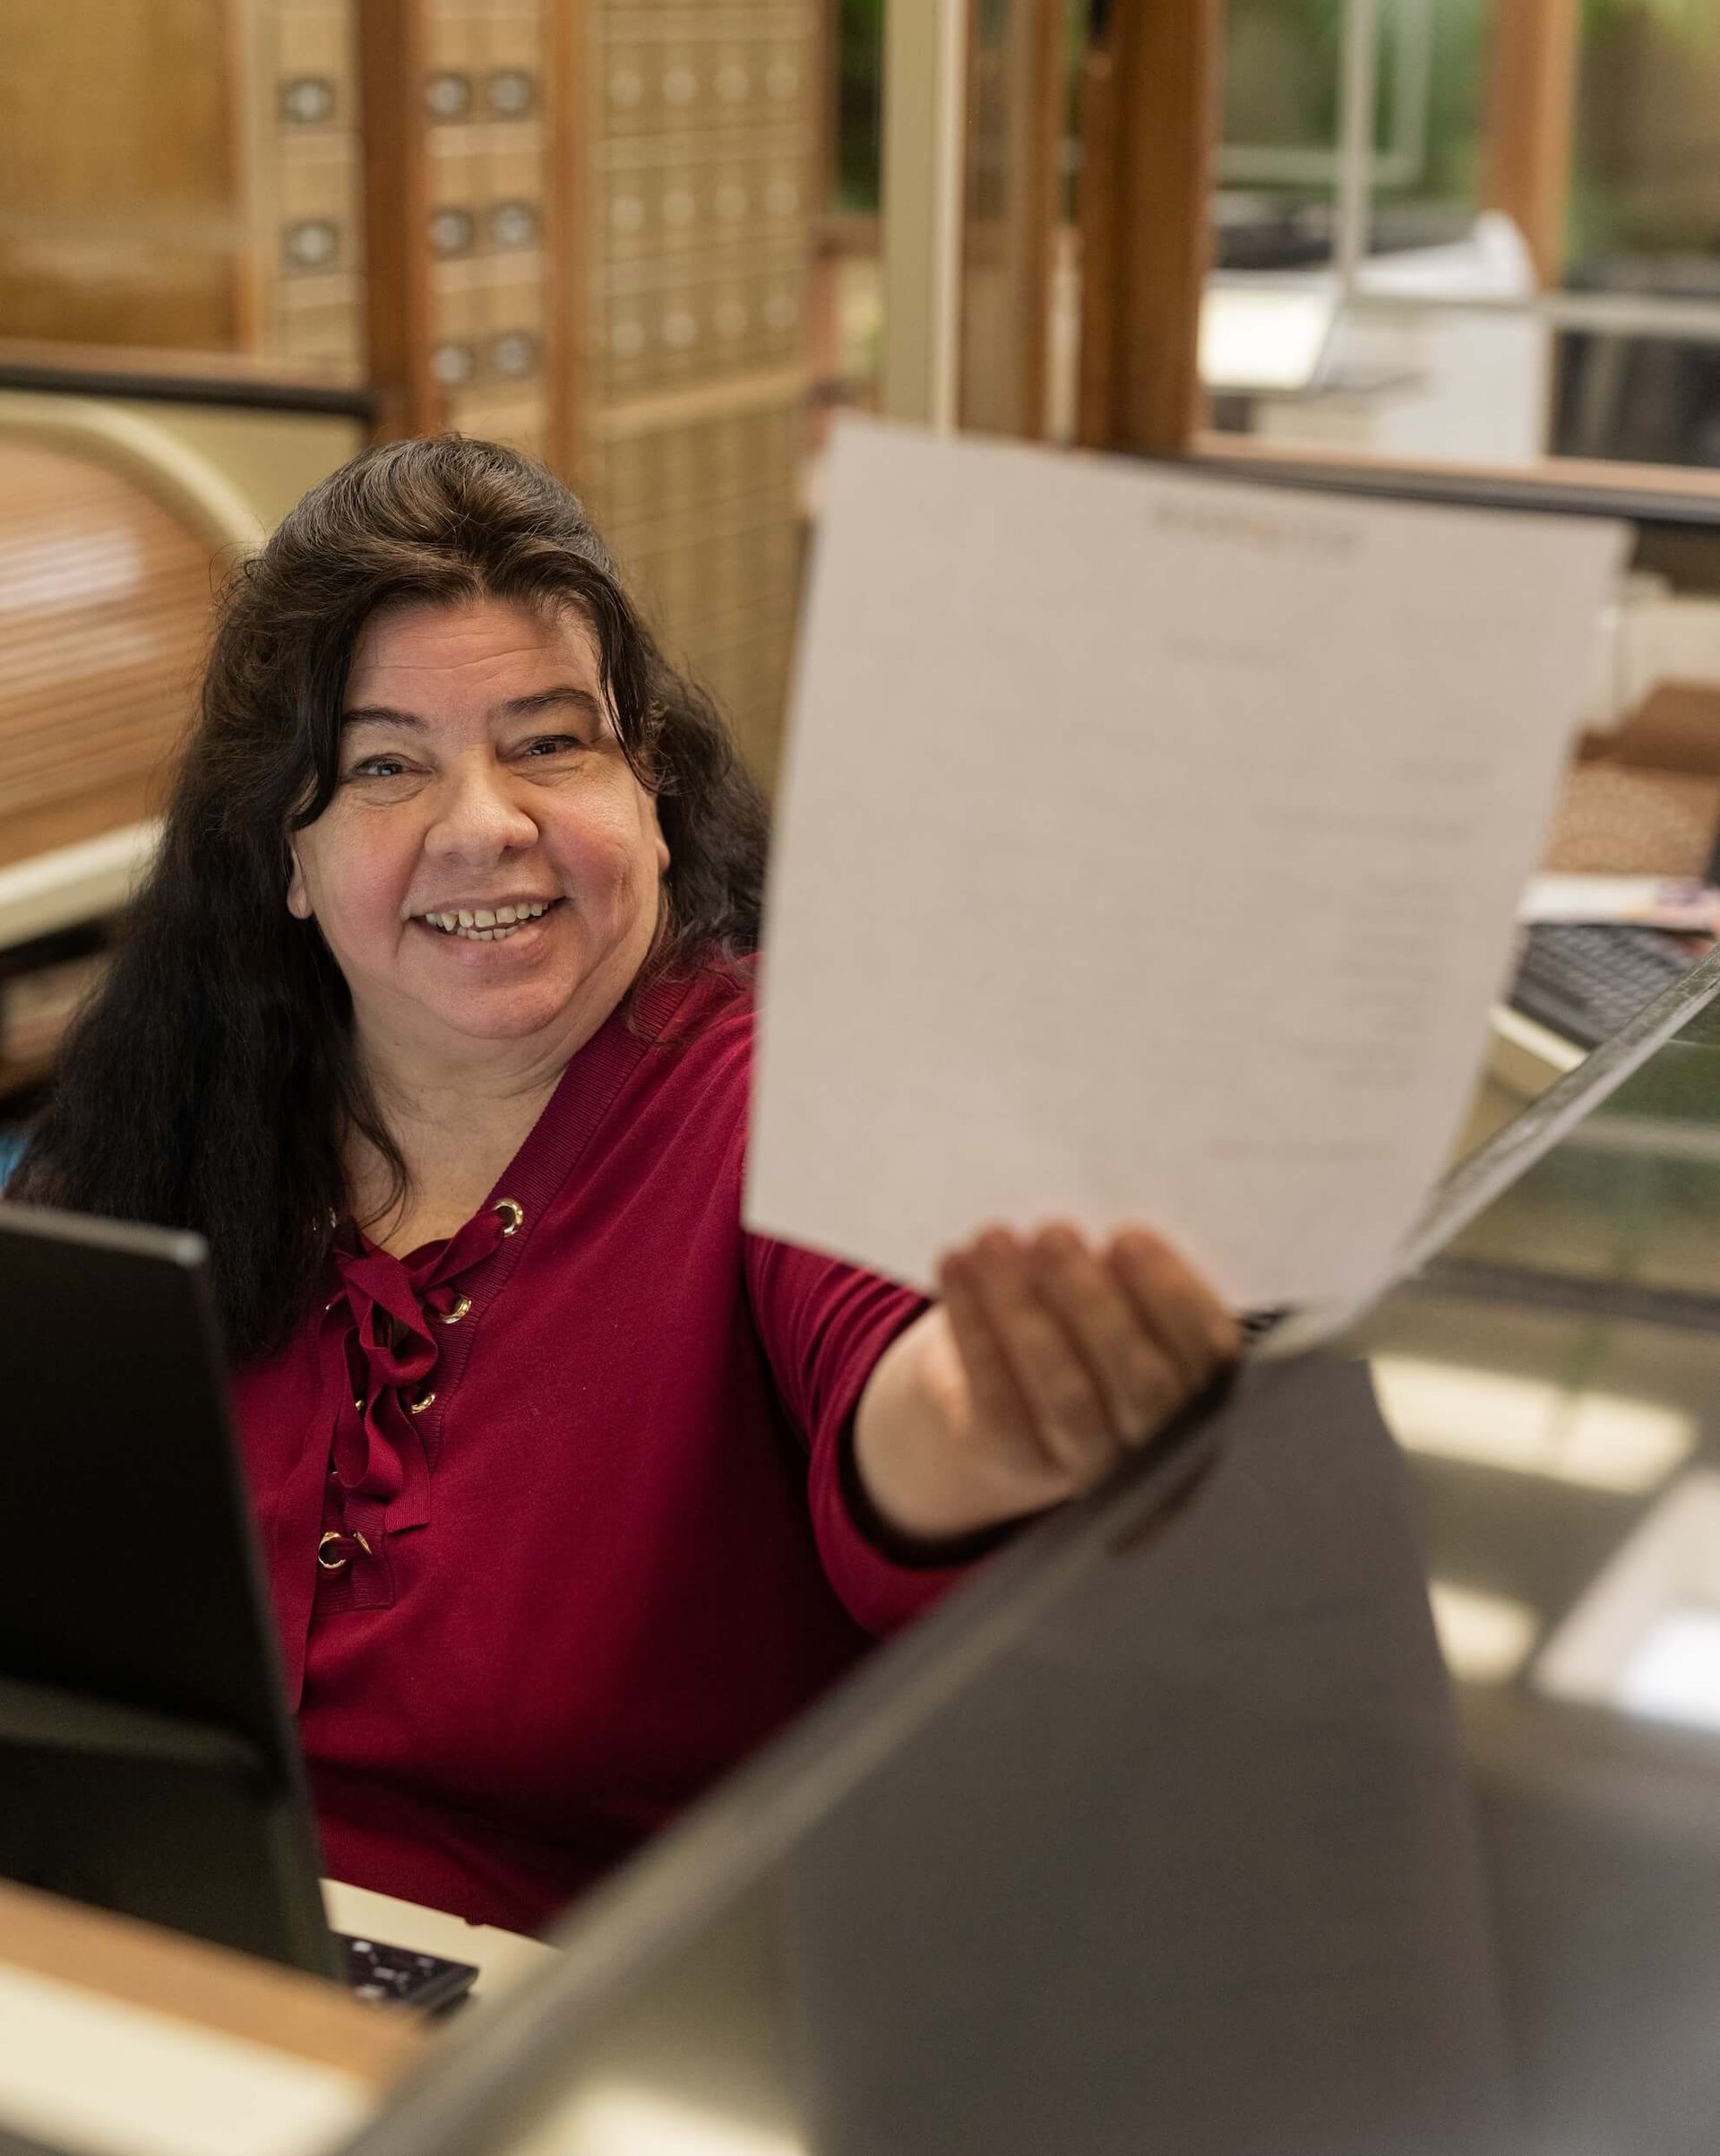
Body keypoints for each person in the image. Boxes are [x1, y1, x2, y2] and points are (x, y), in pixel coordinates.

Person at [14, 438, 1238, 1935]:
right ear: (288, 850)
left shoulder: (797, 1086)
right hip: (151, 1972)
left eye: (549, 744)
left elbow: (910, 1387)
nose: (484, 825)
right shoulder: (180, 1114)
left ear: (651, 793)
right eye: (387, 764)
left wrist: (995, 1409)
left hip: (604, 2038)